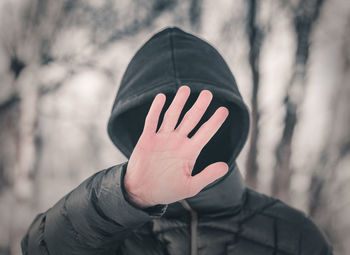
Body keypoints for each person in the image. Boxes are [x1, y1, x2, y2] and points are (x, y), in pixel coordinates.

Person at [21, 26, 333, 255]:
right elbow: (38, 249)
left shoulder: (297, 236)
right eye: (156, 124)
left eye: (202, 119)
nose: (181, 140)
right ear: (134, 135)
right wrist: (131, 192)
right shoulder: (109, 235)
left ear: (231, 124)